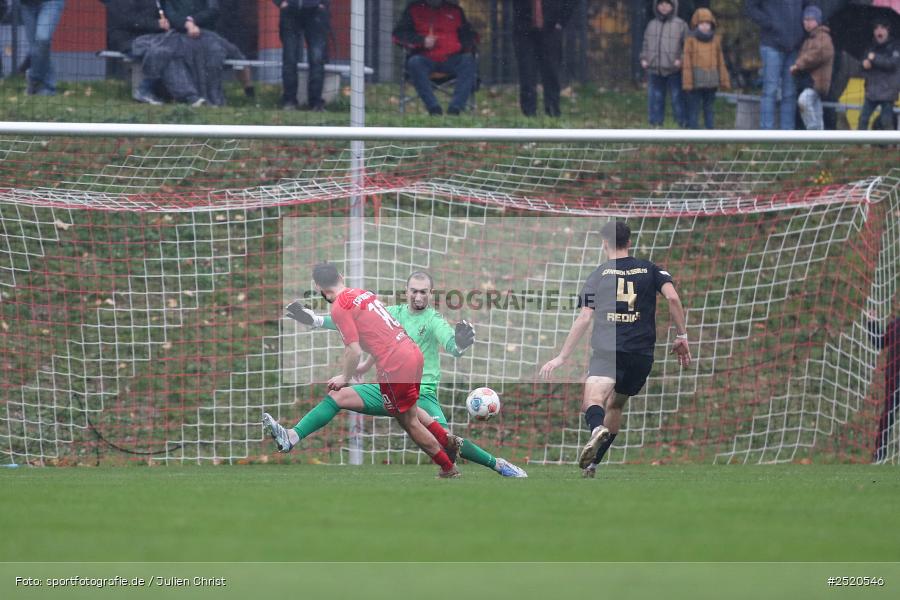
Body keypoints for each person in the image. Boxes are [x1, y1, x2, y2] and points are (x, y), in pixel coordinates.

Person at [265, 271, 527, 477]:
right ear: (407, 291)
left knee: (447, 443)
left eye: (423, 292)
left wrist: (459, 343)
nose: (418, 296)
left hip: (421, 392)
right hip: (390, 384)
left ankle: (496, 464)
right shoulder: (394, 312)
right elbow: (362, 325)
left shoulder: (433, 319)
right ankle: (292, 436)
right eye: (414, 291)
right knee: (339, 397)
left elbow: (452, 347)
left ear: (430, 294)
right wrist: (317, 321)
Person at [540, 221, 691, 478]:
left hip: (609, 350)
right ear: (629, 242)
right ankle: (593, 464)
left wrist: (562, 357)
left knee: (593, 399)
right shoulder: (650, 269)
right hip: (642, 355)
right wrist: (682, 336)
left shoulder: (598, 274)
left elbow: (585, 318)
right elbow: (673, 298)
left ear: (605, 244)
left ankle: (596, 429)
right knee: (616, 405)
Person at [392, 0, 478, 116]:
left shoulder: (456, 10)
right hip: (424, 59)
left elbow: (471, 36)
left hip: (452, 59)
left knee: (468, 60)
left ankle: (455, 108)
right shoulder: (413, 9)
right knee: (414, 62)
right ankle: (433, 108)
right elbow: (398, 36)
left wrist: (460, 45)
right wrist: (422, 41)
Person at [743, 0, 804, 130]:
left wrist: (804, 26)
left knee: (790, 93)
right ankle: (767, 133)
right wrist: (769, 22)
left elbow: (809, 6)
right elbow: (750, 7)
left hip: (794, 46)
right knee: (770, 90)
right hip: (772, 44)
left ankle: (787, 135)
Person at [511, 0, 575, 118]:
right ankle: (529, 114)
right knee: (527, 73)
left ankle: (552, 112)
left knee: (551, 73)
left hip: (551, 30)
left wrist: (561, 22)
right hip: (525, 31)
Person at [274, 0, 330, 111]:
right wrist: (280, 2)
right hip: (291, 10)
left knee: (316, 59)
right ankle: (291, 101)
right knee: (290, 58)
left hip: (314, 10)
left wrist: (323, 3)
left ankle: (314, 103)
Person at [640, 0, 688, 128]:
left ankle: (681, 123)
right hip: (654, 69)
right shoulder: (651, 24)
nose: (664, 7)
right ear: (657, 6)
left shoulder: (680, 24)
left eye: (668, 4)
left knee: (677, 98)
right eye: (661, 4)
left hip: (674, 70)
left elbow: (687, 46)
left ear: (673, 6)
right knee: (655, 98)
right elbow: (645, 43)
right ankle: (655, 123)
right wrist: (644, 58)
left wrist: (681, 59)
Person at [681, 6, 730, 129]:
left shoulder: (715, 41)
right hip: (695, 83)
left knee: (709, 109)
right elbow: (686, 63)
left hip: (711, 82)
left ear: (711, 24)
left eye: (707, 23)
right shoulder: (690, 41)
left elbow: (721, 62)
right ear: (696, 24)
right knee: (694, 109)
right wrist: (687, 83)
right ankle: (693, 134)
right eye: (701, 23)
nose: (704, 26)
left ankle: (710, 133)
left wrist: (724, 80)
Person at [789, 6, 833, 132]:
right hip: (809, 82)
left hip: (817, 83)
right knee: (816, 108)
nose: (807, 23)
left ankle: (812, 131)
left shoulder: (824, 37)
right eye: (805, 20)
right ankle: (820, 136)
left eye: (810, 19)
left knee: (804, 101)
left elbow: (817, 55)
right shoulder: (809, 39)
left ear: (818, 21)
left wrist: (798, 64)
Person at [867, 312, 899, 463]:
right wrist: (872, 323)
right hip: (894, 379)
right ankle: (880, 454)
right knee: (888, 415)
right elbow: (880, 342)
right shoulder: (895, 324)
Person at [857, 18, 900, 131]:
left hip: (888, 91)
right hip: (871, 91)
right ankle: (858, 145)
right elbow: (862, 65)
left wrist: (874, 58)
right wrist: (864, 64)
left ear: (888, 30)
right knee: (863, 119)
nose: (879, 31)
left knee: (886, 121)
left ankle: (890, 146)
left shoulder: (896, 46)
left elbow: (892, 64)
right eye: (876, 28)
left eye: (882, 28)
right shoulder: (870, 47)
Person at [20, 0, 65, 96]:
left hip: (51, 3)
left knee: (43, 38)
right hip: (27, 5)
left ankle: (34, 78)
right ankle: (46, 86)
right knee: (35, 48)